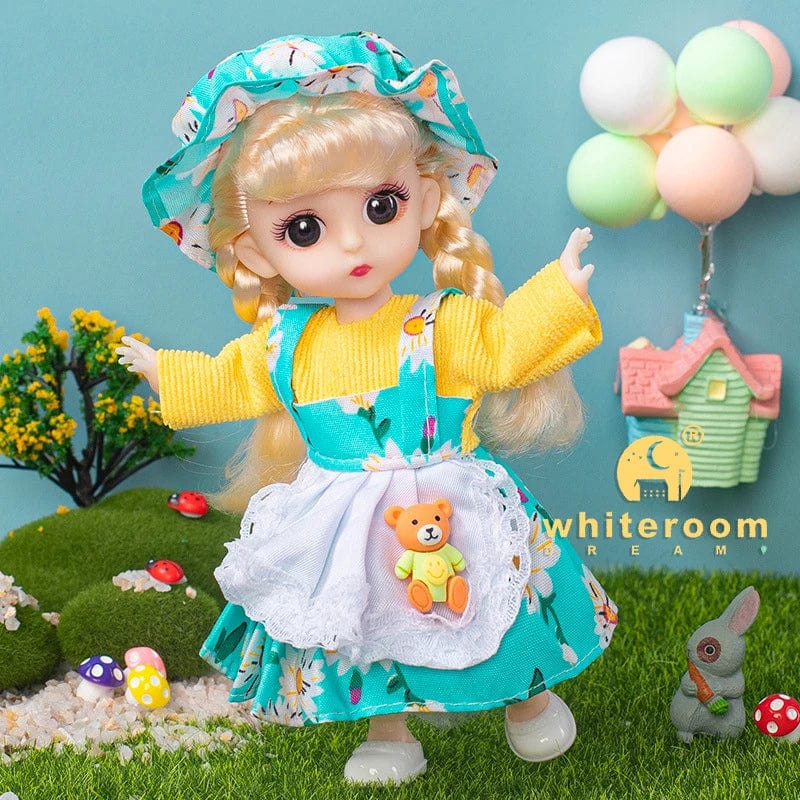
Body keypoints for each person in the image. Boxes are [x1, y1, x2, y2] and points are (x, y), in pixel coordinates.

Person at [118, 32, 617, 785]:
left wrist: (560, 292)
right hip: (344, 516)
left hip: (449, 495)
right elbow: (230, 379)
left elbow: (507, 347)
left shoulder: (440, 322)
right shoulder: (284, 343)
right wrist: (167, 373)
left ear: (426, 200)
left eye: (381, 206)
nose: (353, 242)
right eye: (305, 228)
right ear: (254, 253)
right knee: (365, 622)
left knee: (496, 598)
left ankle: (528, 698)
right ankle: (392, 732)